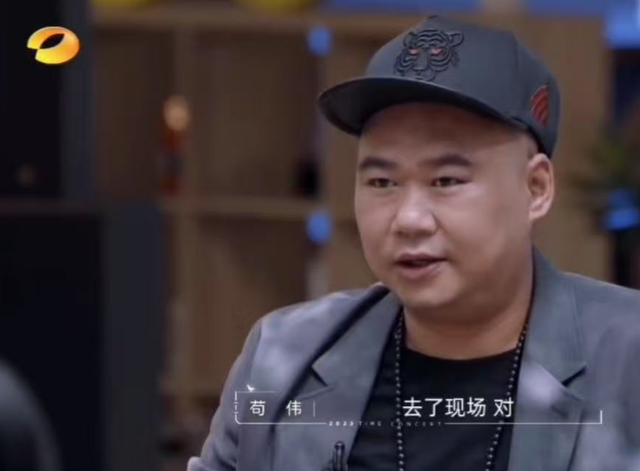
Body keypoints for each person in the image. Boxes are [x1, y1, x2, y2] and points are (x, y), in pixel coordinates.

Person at [187, 16, 640, 471]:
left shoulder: (627, 357)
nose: (408, 219)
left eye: (446, 180)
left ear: (536, 188)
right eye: (382, 182)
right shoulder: (283, 358)